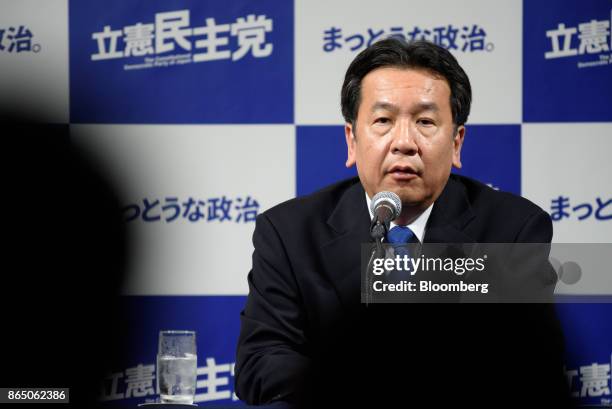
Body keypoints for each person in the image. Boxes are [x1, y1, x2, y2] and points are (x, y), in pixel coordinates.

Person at [235, 39, 572, 408]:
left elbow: (534, 371)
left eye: (425, 121)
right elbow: (261, 361)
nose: (404, 143)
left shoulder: (513, 230)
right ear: (351, 139)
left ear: (457, 143)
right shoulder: (288, 233)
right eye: (383, 120)